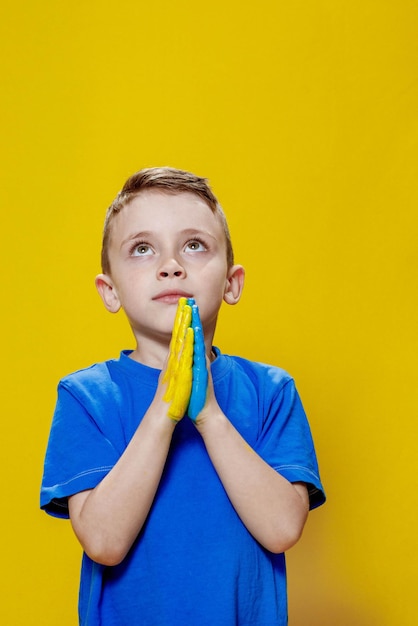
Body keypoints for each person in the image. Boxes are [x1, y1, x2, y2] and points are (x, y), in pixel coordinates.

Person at [40, 166, 325, 626]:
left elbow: (282, 530)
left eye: (194, 246)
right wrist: (163, 412)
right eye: (142, 248)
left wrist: (209, 414)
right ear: (109, 291)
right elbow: (104, 542)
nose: (171, 265)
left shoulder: (271, 391)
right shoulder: (86, 396)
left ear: (232, 283)